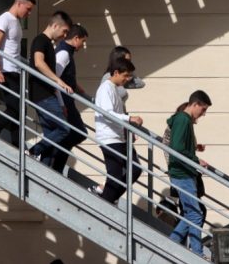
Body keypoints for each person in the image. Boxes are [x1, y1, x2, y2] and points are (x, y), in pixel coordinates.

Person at [166, 90, 212, 255]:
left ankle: (171, 246)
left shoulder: (183, 120)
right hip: (183, 174)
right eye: (203, 109)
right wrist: (196, 160)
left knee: (192, 214)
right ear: (195, 104)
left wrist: (194, 149)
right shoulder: (183, 120)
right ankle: (196, 253)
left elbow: (180, 146)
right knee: (195, 215)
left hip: (183, 174)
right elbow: (177, 149)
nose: (203, 114)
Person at [0, 0, 36, 147]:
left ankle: (17, 146)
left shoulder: (16, 22)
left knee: (20, 111)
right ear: (19, 3)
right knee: (15, 109)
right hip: (5, 71)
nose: (29, 13)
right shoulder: (4, 19)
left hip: (16, 71)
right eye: (28, 9)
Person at [27, 12, 75, 167]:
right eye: (64, 31)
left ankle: (44, 172)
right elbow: (38, 62)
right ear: (55, 25)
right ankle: (33, 151)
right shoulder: (41, 40)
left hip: (46, 95)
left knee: (50, 137)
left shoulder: (48, 43)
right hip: (43, 96)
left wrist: (60, 102)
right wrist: (58, 81)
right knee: (64, 129)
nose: (65, 35)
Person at [94, 59, 144, 205]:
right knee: (115, 175)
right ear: (116, 72)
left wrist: (127, 128)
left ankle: (109, 198)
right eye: (125, 75)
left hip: (119, 137)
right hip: (109, 138)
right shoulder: (106, 88)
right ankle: (105, 203)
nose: (127, 79)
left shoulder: (114, 88)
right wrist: (129, 118)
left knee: (135, 169)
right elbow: (107, 114)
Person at [49, 23, 89, 172]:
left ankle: (56, 165)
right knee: (78, 133)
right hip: (64, 101)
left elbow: (64, 75)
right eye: (83, 41)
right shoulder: (64, 53)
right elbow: (54, 78)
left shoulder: (66, 52)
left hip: (67, 100)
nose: (83, 45)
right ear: (76, 38)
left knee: (74, 134)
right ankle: (52, 159)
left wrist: (76, 86)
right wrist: (61, 104)